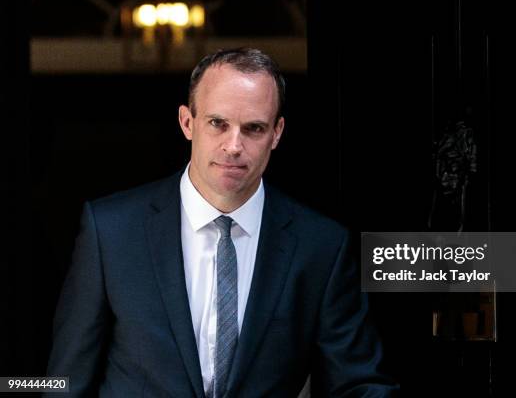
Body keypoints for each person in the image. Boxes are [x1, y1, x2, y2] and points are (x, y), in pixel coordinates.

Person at [46, 48, 398, 397]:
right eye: (218, 123)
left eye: (254, 129)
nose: (233, 145)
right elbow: (66, 383)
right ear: (187, 122)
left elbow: (357, 384)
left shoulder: (321, 246)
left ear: (277, 133)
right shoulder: (110, 230)